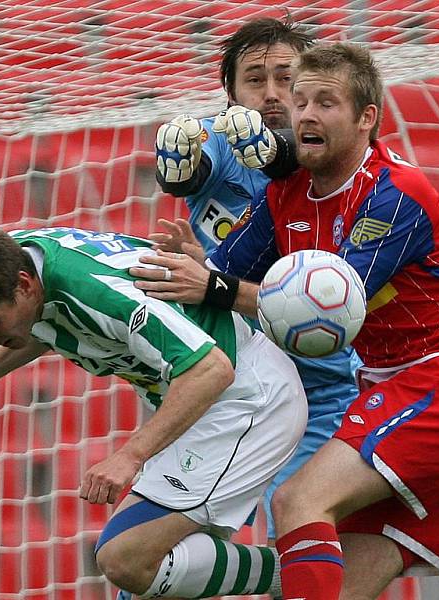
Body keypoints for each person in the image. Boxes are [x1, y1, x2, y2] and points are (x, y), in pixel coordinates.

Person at [131, 42, 439, 599]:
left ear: (367, 119)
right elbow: (225, 275)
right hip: (400, 380)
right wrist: (201, 270)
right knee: (326, 579)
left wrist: (216, 287)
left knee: (296, 501)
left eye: (326, 103)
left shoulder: (394, 194)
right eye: (300, 103)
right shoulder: (286, 192)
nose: (305, 115)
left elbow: (331, 308)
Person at [0, 225, 307, 598]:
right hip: (199, 406)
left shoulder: (97, 290)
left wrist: (130, 455)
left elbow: (211, 368)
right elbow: (41, 322)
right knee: (148, 583)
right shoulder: (16, 260)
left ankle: (298, 572)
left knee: (126, 557)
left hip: (245, 401)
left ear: (24, 285)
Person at [154, 15, 363, 545]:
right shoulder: (213, 139)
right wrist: (180, 170)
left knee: (298, 531)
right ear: (229, 93)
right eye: (254, 79)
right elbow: (189, 171)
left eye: (285, 78)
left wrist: (212, 277)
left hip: (322, 379)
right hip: (231, 379)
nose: (271, 94)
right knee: (167, 542)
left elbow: (281, 159)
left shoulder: (333, 153)